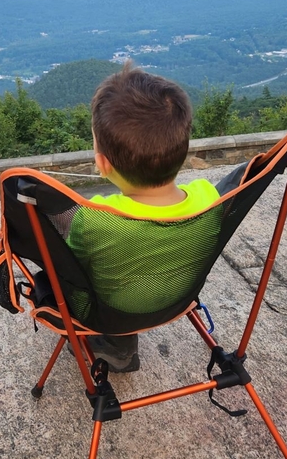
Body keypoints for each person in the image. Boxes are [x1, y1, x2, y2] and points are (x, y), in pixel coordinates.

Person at [66, 62, 221, 372]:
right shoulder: (210, 198)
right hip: (178, 296)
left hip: (112, 311)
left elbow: (73, 271)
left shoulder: (95, 217)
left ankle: (115, 344)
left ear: (102, 163)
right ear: (183, 148)